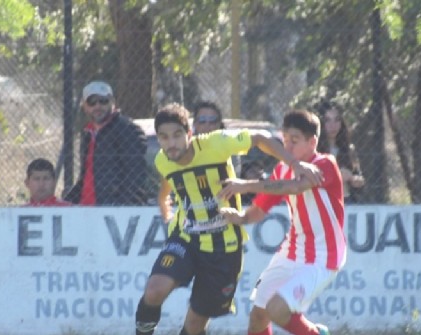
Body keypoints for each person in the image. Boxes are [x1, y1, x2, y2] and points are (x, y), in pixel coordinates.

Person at [135, 104, 322, 335]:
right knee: (154, 291)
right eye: (164, 137)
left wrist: (294, 164)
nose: (171, 143)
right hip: (186, 240)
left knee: (194, 325)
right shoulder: (163, 161)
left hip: (224, 248)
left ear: (189, 134)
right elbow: (165, 192)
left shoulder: (216, 144)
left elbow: (260, 138)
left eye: (176, 135)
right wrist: (167, 216)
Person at [217, 109, 346, 335]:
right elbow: (260, 208)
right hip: (291, 251)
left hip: (324, 256)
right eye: (285, 140)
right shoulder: (282, 168)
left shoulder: (325, 164)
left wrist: (245, 184)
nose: (287, 148)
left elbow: (294, 187)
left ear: (312, 141)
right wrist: (241, 218)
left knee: (277, 309)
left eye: (294, 141)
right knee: (258, 314)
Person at [64, 81, 148, 206]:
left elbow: (135, 177)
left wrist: (118, 207)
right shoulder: (88, 134)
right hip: (86, 211)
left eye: (103, 101)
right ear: (84, 106)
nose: (97, 106)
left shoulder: (127, 130)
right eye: (92, 102)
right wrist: (66, 202)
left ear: (112, 102)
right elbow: (85, 178)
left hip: (112, 213)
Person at [158, 100, 227, 221]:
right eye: (202, 121)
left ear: (219, 124)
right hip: (188, 228)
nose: (207, 125)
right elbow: (163, 195)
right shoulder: (176, 152)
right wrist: (168, 217)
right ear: (194, 124)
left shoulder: (228, 147)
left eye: (212, 121)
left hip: (222, 220)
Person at [316, 100, 365, 203]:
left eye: (337, 120)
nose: (332, 125)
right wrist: (337, 176)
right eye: (327, 120)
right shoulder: (313, 149)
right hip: (322, 200)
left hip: (345, 200)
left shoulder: (349, 149)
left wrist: (352, 178)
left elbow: (359, 178)